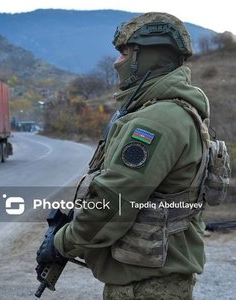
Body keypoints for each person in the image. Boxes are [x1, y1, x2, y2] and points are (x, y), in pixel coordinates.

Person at [37, 12, 210, 299]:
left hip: (147, 285)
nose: (118, 62)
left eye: (125, 52)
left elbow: (113, 202)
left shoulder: (157, 120)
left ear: (149, 56)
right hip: (155, 277)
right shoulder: (172, 110)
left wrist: (61, 243)